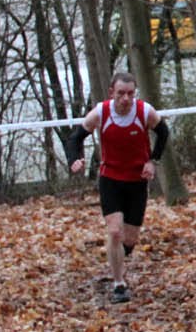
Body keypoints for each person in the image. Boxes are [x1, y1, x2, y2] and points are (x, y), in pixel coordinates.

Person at [65, 71, 170, 304]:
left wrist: (152, 161)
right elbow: (75, 138)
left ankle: (117, 257)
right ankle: (118, 284)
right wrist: (75, 159)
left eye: (130, 93)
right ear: (111, 92)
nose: (126, 99)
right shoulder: (101, 112)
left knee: (129, 239)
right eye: (121, 93)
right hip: (110, 179)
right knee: (114, 231)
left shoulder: (144, 111)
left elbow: (163, 132)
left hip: (137, 181)